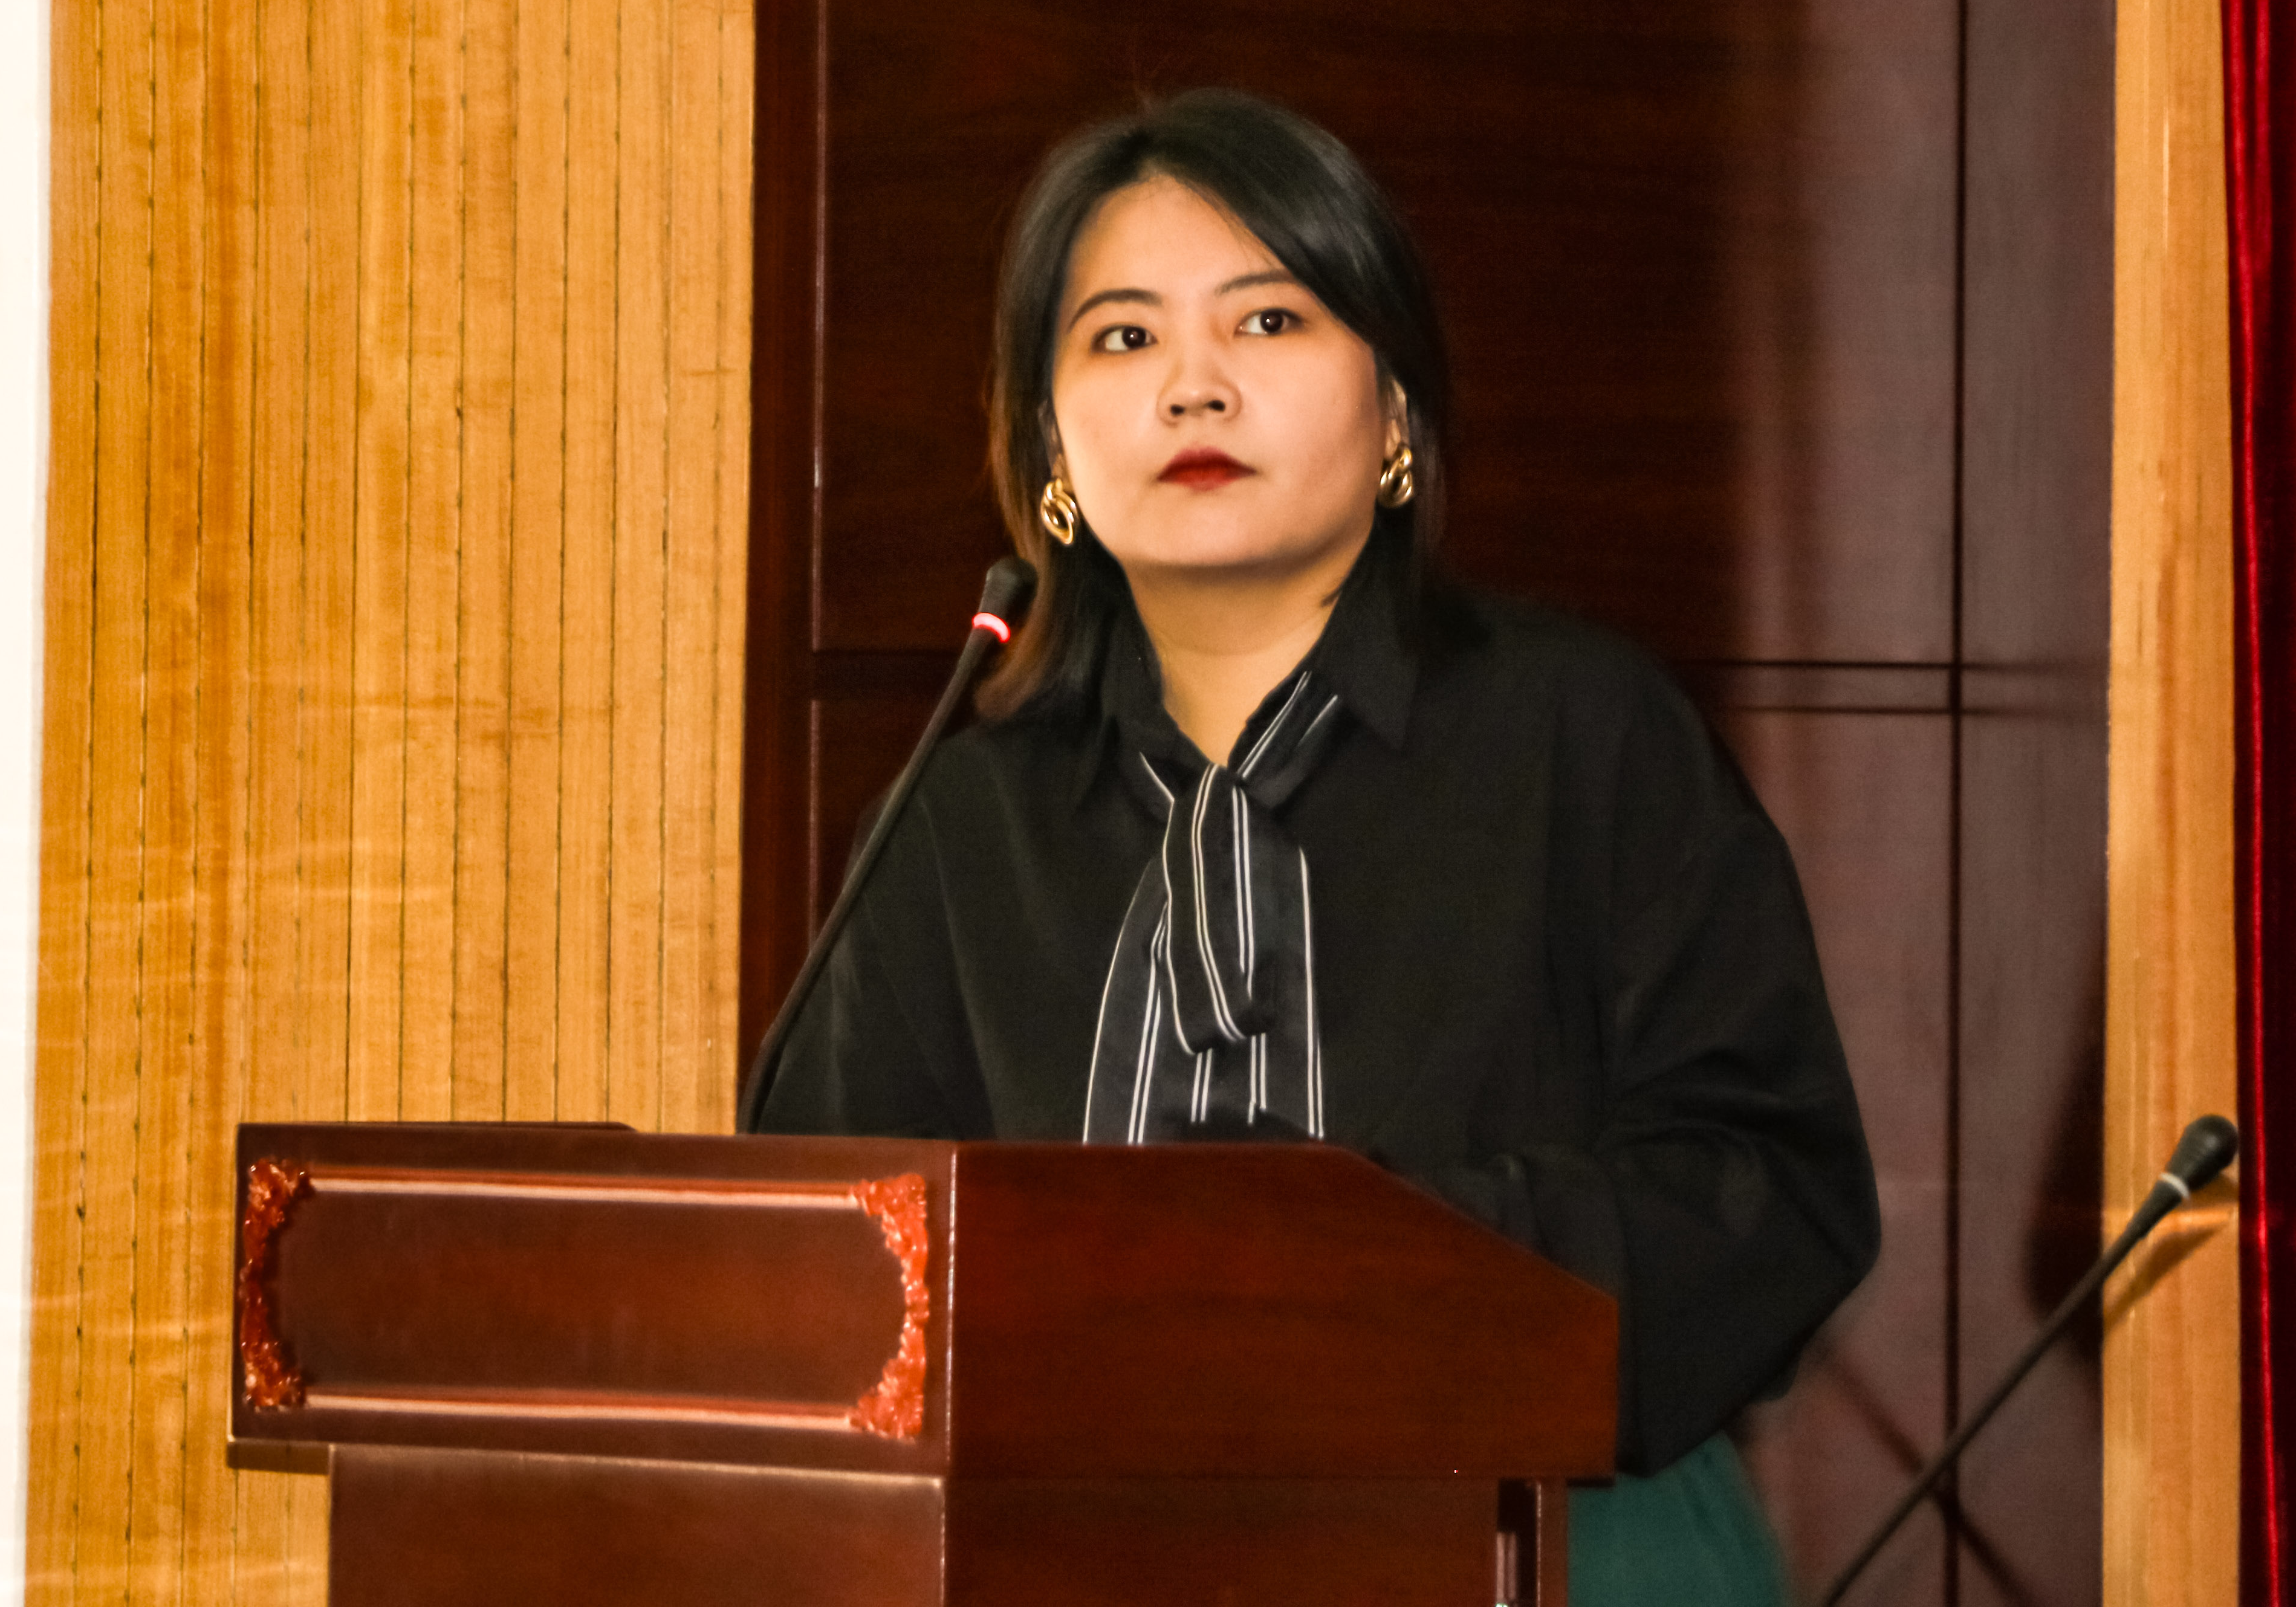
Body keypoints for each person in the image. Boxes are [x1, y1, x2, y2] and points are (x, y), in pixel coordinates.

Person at [750, 89, 1877, 1605]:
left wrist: (1336, 1270)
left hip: (1557, 1548)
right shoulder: (965, 820)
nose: (1194, 389)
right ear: (1051, 447)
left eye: (1268, 323)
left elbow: (1770, 1189)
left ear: (1397, 413)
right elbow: (831, 1267)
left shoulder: (1581, 736)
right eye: (1124, 337)